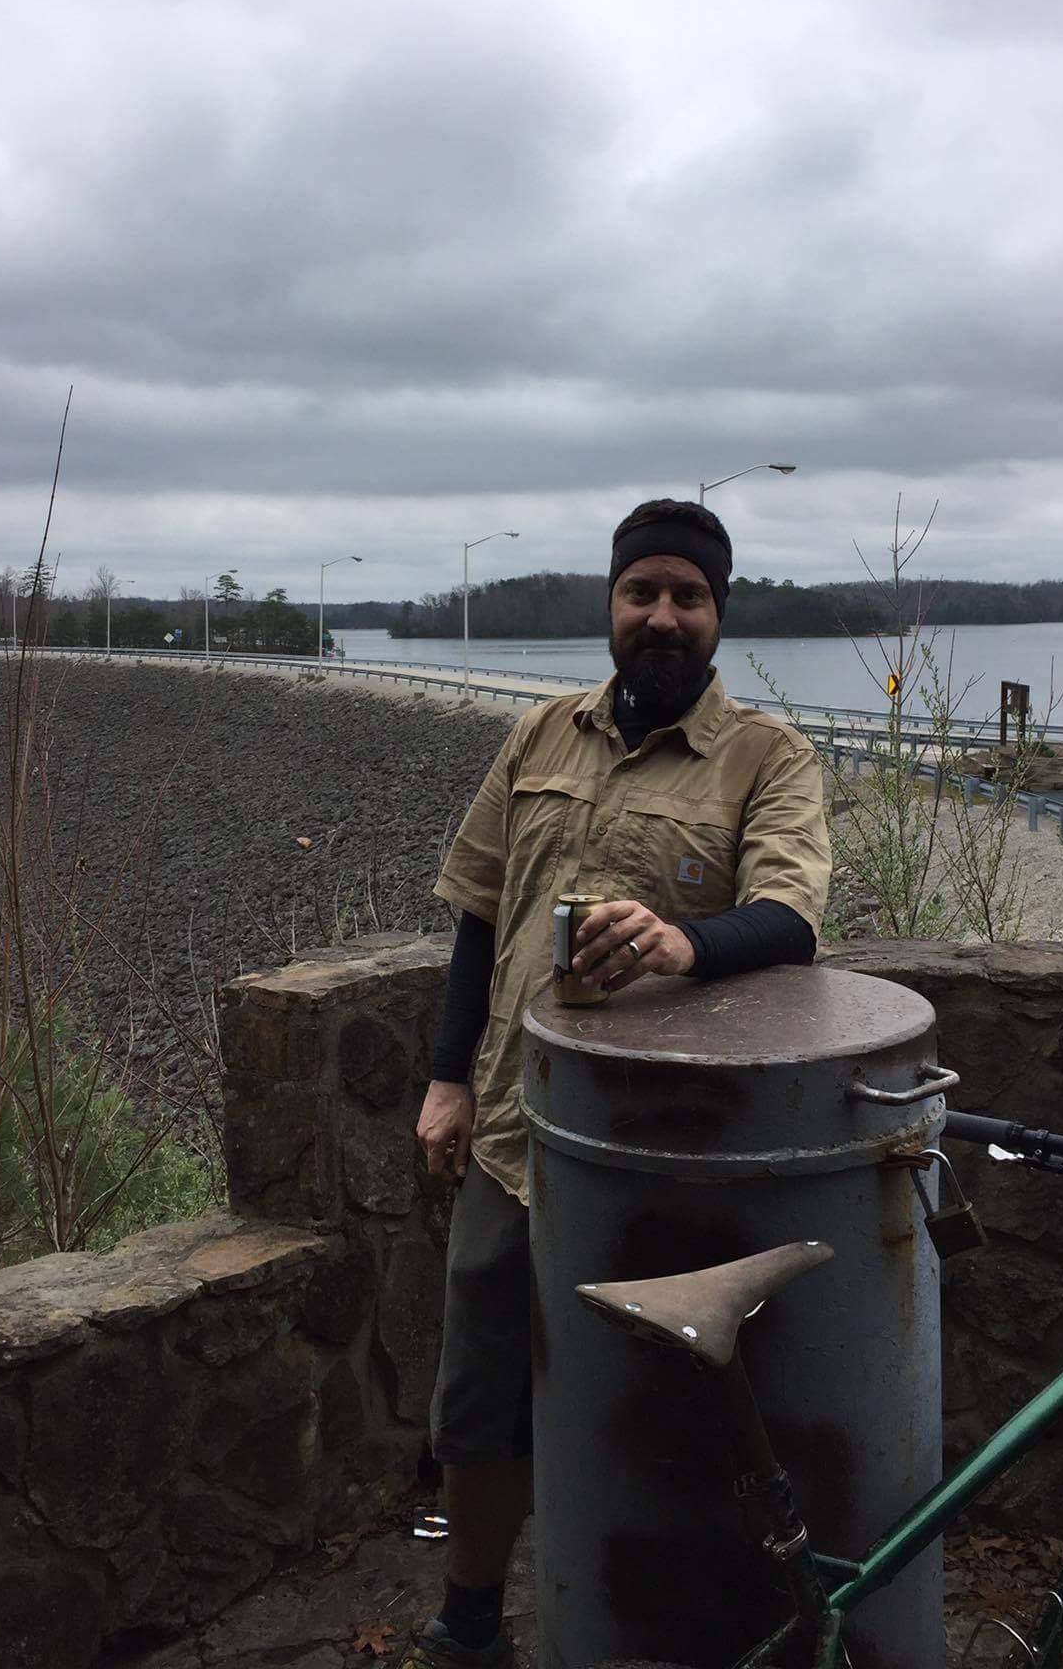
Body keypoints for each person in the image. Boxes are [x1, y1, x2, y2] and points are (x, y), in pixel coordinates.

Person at [402, 498, 832, 1669]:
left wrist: (686, 941)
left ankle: (665, 1624)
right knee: (481, 1405)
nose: (661, 615)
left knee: (667, 1414)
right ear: (610, 603)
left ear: (717, 616)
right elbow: (480, 922)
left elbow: (791, 917)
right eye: (641, 591)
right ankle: (472, 1621)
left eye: (687, 596)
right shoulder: (538, 735)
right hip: (511, 1133)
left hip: (666, 1152)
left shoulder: (768, 759)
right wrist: (446, 1082)